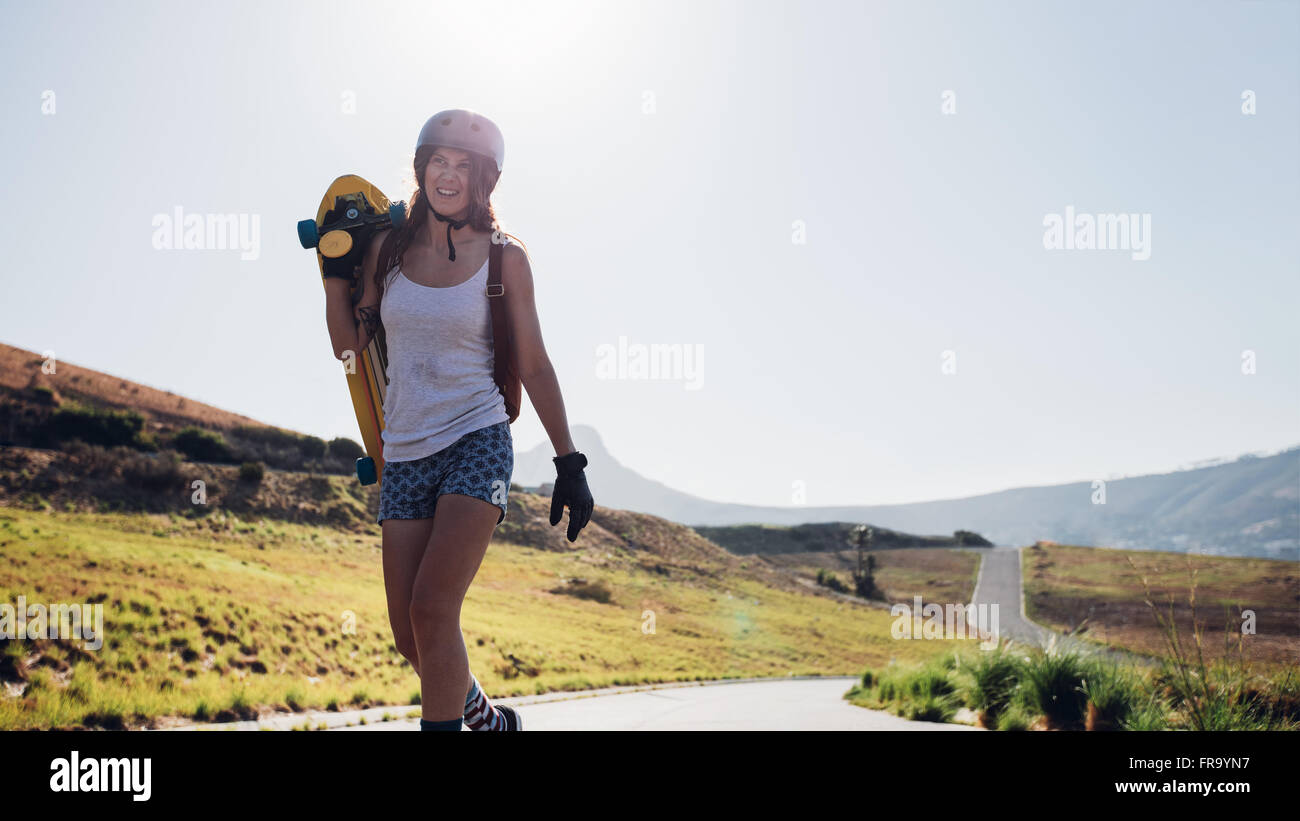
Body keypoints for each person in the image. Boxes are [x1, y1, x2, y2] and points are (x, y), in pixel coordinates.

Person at [322, 108, 594, 731]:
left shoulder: (505, 259)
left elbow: (534, 364)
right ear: (421, 170)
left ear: (484, 181)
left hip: (477, 436)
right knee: (407, 633)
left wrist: (568, 460)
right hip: (405, 449)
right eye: (438, 162)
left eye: (463, 166)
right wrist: (339, 276)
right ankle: (490, 721)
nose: (448, 175)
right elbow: (349, 346)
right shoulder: (388, 251)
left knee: (433, 608)